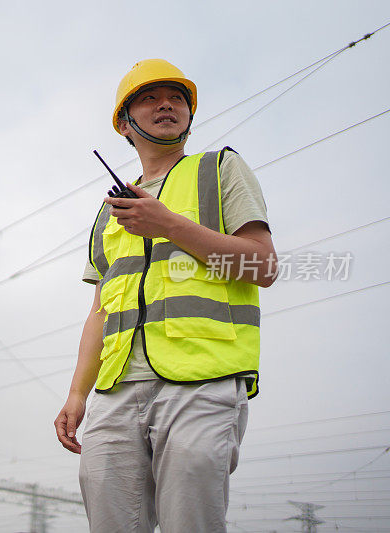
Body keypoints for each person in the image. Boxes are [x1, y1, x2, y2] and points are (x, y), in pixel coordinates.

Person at [54, 59, 277, 533]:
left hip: (202, 380)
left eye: (177, 98)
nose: (166, 105)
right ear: (124, 123)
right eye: (150, 98)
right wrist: (78, 393)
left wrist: (169, 225)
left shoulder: (219, 169)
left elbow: (263, 266)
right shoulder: (108, 212)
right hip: (116, 393)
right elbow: (100, 310)